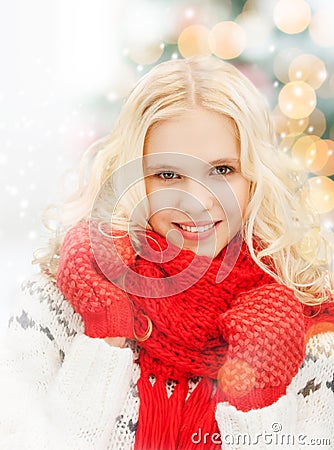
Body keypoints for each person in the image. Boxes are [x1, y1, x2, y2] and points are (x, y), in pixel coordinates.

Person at [1, 55, 334, 450]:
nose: (196, 201)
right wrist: (105, 336)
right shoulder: (56, 301)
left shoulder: (310, 325)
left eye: (223, 170)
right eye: (168, 174)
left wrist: (258, 398)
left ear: (256, 176)